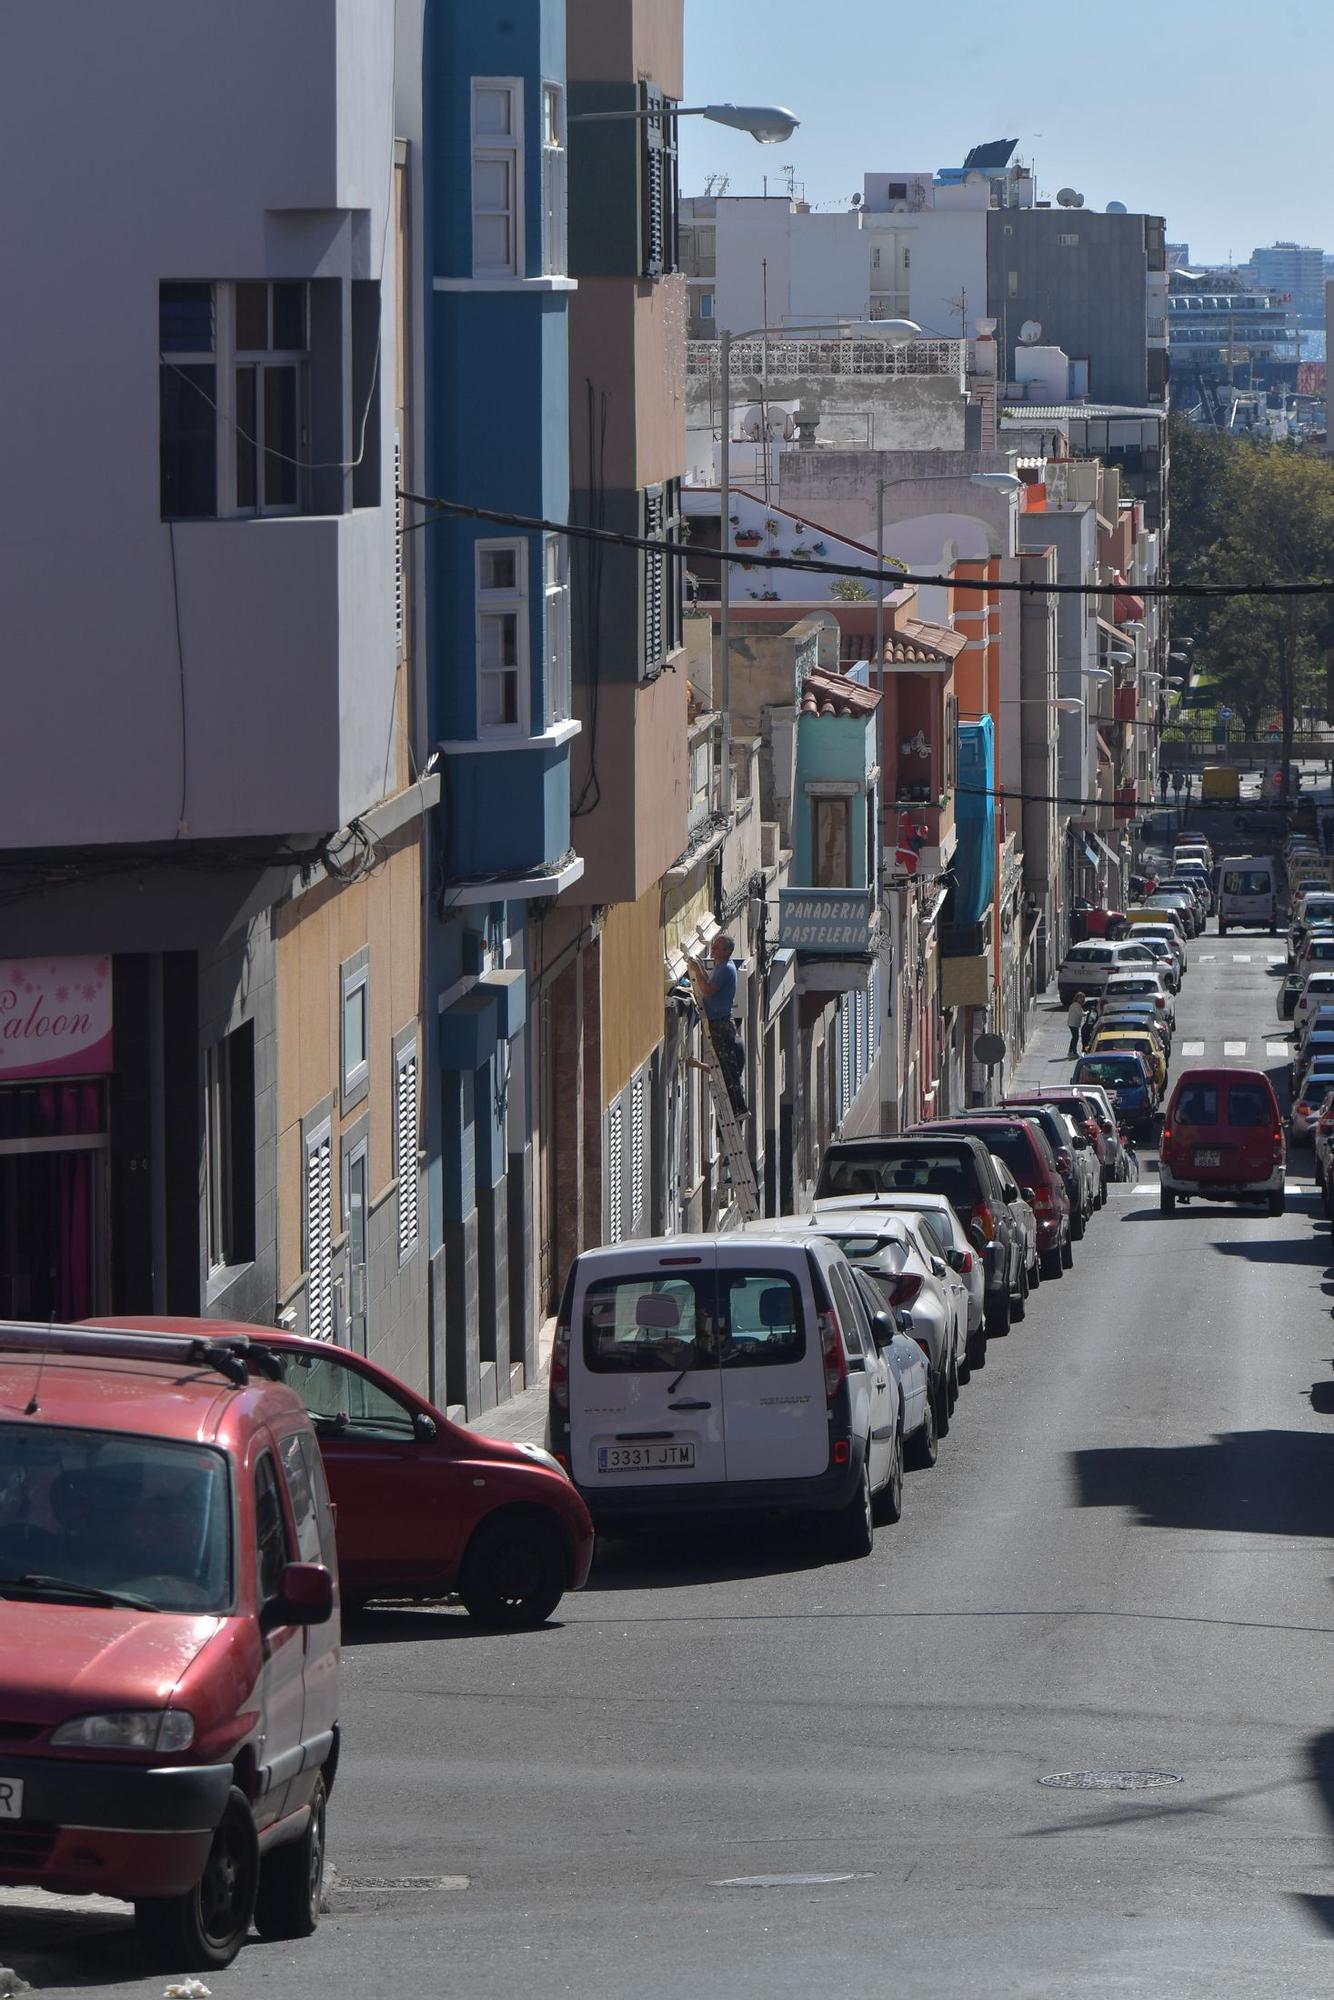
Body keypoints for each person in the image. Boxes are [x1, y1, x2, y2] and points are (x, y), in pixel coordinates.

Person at [686, 934, 748, 1117]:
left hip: (721, 1023)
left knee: (726, 1067)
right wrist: (700, 970)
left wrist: (697, 971)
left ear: (727, 951)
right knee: (725, 1066)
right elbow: (709, 984)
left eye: (717, 948)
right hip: (719, 1021)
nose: (713, 950)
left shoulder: (725, 969)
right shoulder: (721, 967)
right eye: (713, 947)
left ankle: (737, 1107)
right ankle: (737, 1107)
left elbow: (707, 990)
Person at [1067, 990, 1087, 1058]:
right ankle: (1074, 1052)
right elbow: (1081, 1014)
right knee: (1076, 1037)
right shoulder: (1076, 1005)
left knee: (1074, 1037)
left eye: (1083, 998)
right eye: (1080, 997)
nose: (1081, 999)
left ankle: (1070, 1051)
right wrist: (1087, 1013)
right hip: (1073, 1024)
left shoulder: (1076, 1005)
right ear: (1077, 998)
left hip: (1073, 1023)